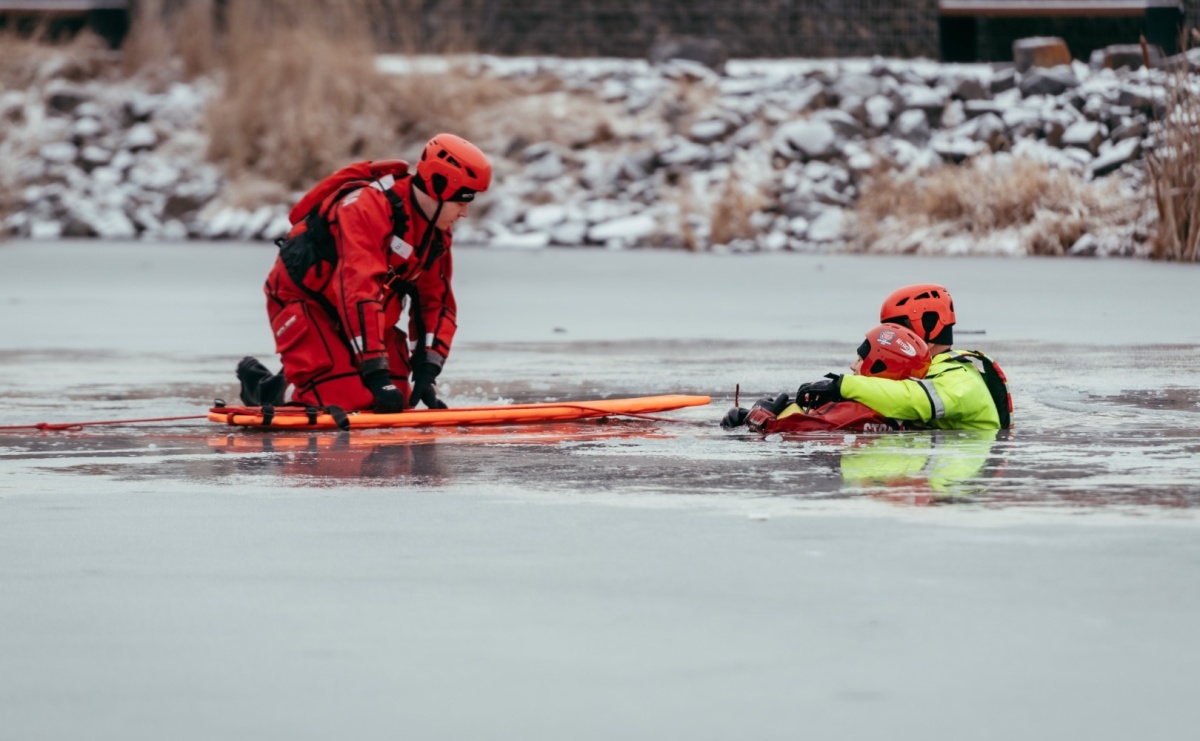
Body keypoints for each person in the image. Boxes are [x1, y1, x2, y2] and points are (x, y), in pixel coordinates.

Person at [236, 133, 492, 413]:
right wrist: (376, 373)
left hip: (360, 312)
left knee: (398, 398)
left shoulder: (436, 231)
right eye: (461, 202)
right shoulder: (365, 207)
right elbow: (358, 289)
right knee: (347, 401)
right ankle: (269, 389)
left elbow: (435, 302)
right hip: (306, 300)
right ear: (438, 187)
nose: (465, 212)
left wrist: (426, 370)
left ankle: (314, 372)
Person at [792, 284, 1011, 431]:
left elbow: (914, 400)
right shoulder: (929, 371)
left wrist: (843, 386)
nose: (891, 336)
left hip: (947, 491)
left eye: (897, 328)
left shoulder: (961, 379)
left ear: (928, 330)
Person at [721, 323, 933, 433]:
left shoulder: (856, 410)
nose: (852, 366)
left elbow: (800, 429)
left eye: (860, 360)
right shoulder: (908, 412)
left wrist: (756, 416)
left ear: (881, 366)